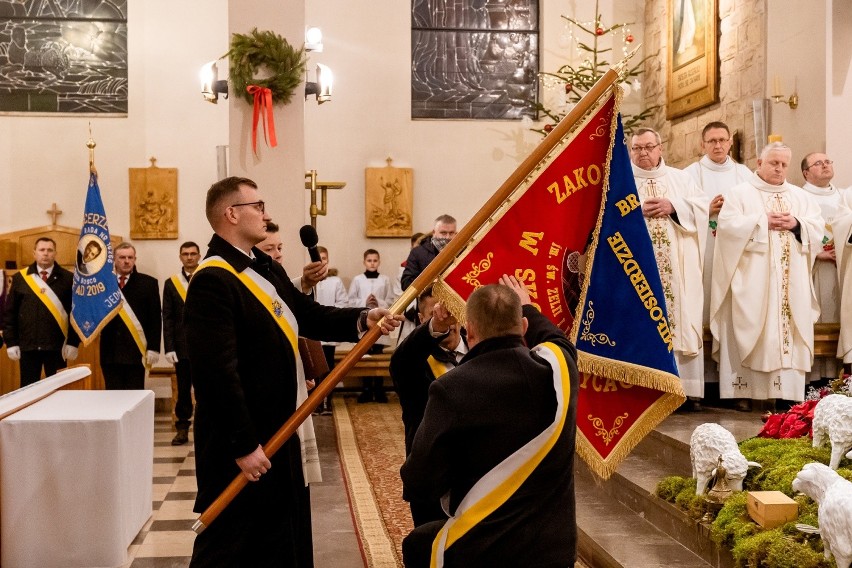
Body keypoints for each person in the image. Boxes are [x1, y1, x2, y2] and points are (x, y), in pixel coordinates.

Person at [184, 176, 400, 567]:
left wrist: (363, 318)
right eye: (258, 206)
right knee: (232, 542)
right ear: (232, 214)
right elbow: (216, 375)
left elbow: (306, 315)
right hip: (247, 439)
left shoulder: (262, 265)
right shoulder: (213, 280)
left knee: (279, 535)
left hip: (282, 425)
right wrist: (243, 446)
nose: (266, 213)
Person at [400, 275, 578, 567]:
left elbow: (418, 483)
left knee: (417, 545)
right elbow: (556, 339)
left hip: (481, 549)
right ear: (522, 328)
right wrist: (529, 307)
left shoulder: (451, 388)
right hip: (552, 550)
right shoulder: (559, 372)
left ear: (469, 332)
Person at [710, 142, 823, 409]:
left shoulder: (801, 197)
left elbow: (817, 228)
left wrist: (797, 224)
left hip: (790, 281)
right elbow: (726, 228)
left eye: (784, 164)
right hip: (752, 280)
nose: (779, 169)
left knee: (789, 328)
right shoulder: (739, 194)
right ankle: (745, 392)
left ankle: (787, 396)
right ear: (759, 163)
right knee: (750, 325)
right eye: (774, 163)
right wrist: (762, 222)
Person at [630, 127, 709, 408]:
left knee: (680, 316)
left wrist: (673, 206)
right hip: (637, 268)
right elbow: (609, 215)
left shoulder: (681, 179)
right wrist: (637, 210)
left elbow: (702, 208)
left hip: (679, 266)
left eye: (649, 147)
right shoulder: (622, 180)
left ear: (660, 148)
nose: (644, 153)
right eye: (637, 148)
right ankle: (647, 390)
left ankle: (684, 390)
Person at [390, 285, 467, 526]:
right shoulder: (413, 363)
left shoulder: (481, 351)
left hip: (475, 478)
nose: (448, 319)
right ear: (422, 319)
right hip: (432, 481)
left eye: (452, 311)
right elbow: (403, 359)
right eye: (437, 313)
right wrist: (435, 327)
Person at [3, 237, 79, 387]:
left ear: (55, 253)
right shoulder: (20, 278)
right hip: (28, 347)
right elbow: (9, 313)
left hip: (58, 347)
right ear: (34, 253)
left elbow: (76, 313)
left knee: (59, 391)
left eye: (50, 250)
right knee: (28, 391)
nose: (46, 254)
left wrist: (73, 342)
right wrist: (11, 342)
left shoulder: (68, 279)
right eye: (42, 250)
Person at [798, 152, 845, 384]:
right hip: (813, 269)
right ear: (806, 173)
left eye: (828, 161)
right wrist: (818, 253)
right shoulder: (799, 197)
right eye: (819, 163)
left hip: (842, 269)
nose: (825, 165)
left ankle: (839, 377)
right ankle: (814, 379)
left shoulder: (844, 197)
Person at [99, 242, 161, 390]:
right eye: (122, 257)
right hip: (110, 352)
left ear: (134, 259)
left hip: (136, 352)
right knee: (112, 396)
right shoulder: (103, 284)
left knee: (135, 396)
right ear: (114, 259)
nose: (126, 261)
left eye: (130, 257)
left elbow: (155, 319)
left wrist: (154, 347)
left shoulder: (148, 284)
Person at [162, 241, 200, 445]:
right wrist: (168, 347)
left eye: (193, 253)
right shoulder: (171, 283)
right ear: (180, 257)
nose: (189, 257)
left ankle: (208, 428)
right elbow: (167, 317)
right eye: (185, 254)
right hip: (182, 347)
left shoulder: (207, 277)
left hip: (206, 347)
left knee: (207, 390)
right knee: (183, 391)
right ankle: (182, 428)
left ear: (199, 255)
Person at [348, 248, 397, 402]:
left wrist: (378, 303)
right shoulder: (357, 280)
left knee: (377, 356)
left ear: (379, 262)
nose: (372, 263)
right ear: (364, 262)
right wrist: (365, 303)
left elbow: (390, 300)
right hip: (364, 321)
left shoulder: (385, 280)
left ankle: (379, 389)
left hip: (380, 322)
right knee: (365, 356)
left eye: (375, 260)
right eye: (369, 260)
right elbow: (350, 301)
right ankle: (367, 390)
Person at [313, 245, 348, 415]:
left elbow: (342, 303)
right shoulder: (308, 279)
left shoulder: (335, 282)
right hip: (312, 334)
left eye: (324, 258)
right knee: (314, 371)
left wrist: (330, 315)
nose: (321, 261)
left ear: (328, 260)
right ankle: (314, 403)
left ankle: (327, 401)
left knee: (328, 370)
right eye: (318, 258)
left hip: (329, 332)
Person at [401, 215, 457, 291]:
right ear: (434, 232)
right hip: (428, 300)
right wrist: (430, 281)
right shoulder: (417, 252)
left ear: (456, 233)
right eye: (443, 233)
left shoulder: (462, 250)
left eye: (451, 233)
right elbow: (406, 283)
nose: (447, 237)